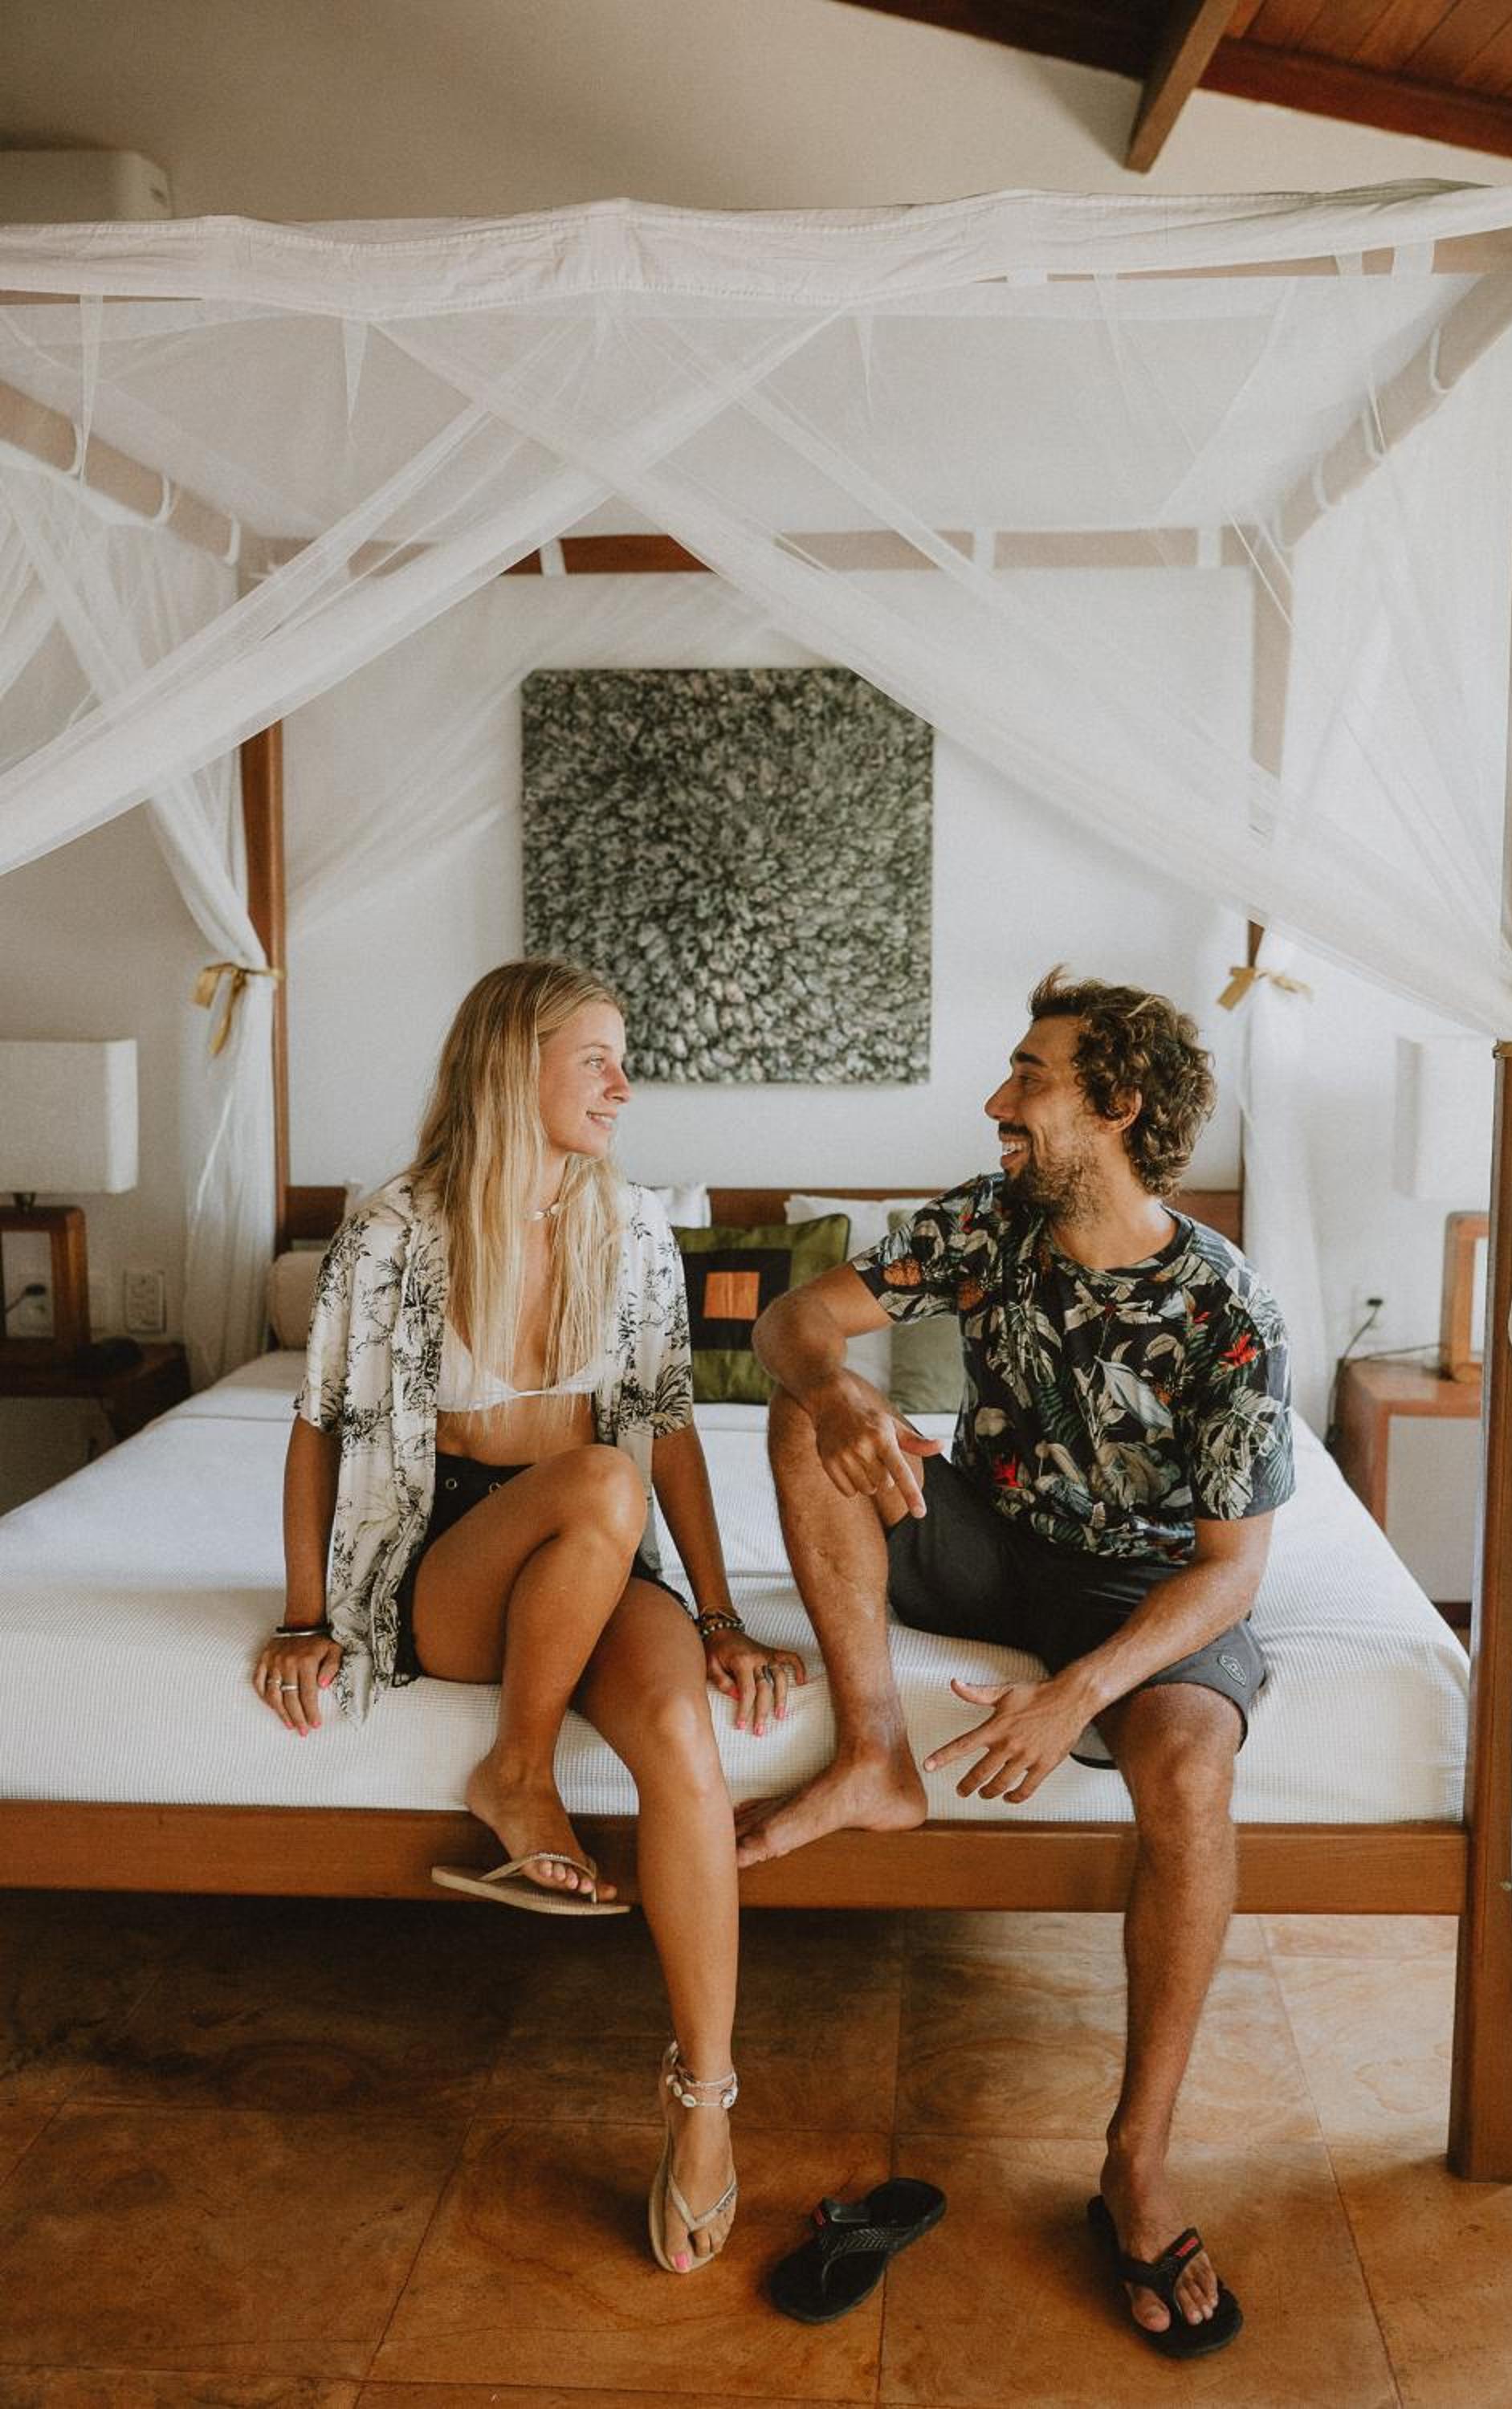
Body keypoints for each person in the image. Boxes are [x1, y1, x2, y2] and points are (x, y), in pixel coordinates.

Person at [742, 969, 1293, 2358]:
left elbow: (1232, 1571)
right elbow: (787, 1322)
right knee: (801, 1415)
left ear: (1118, 1106)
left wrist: (1079, 1693)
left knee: (1189, 1776)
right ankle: (875, 1755)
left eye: (1030, 1078)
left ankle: (1137, 2159)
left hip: (1145, 1582)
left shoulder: (1229, 1311)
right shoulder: (989, 1223)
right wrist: (837, 1387)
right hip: (988, 1538)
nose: (998, 1100)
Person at [252, 956, 804, 2276]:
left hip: (602, 1552)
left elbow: (671, 1430)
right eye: (596, 1059)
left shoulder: (636, 1227)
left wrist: (719, 1613)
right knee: (603, 1480)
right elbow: (320, 1423)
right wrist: (304, 1614)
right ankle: (518, 1770)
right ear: (516, 1065)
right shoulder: (394, 1229)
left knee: (682, 1733)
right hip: (451, 1560)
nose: (624, 1086)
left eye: (623, 1059)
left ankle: (706, 2101)